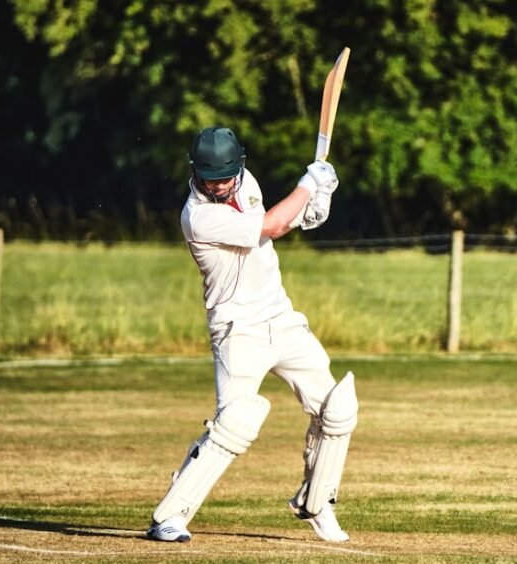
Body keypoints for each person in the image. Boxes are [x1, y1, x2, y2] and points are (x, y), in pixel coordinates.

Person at [146, 126, 358, 543]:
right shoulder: (198, 215)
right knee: (234, 424)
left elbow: (281, 223)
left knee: (337, 409)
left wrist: (314, 204)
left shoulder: (247, 183)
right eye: (210, 178)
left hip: (281, 317)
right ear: (195, 172)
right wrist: (308, 183)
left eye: (225, 177)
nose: (219, 185)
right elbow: (272, 226)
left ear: (239, 166)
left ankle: (317, 503)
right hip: (237, 329)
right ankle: (169, 517)